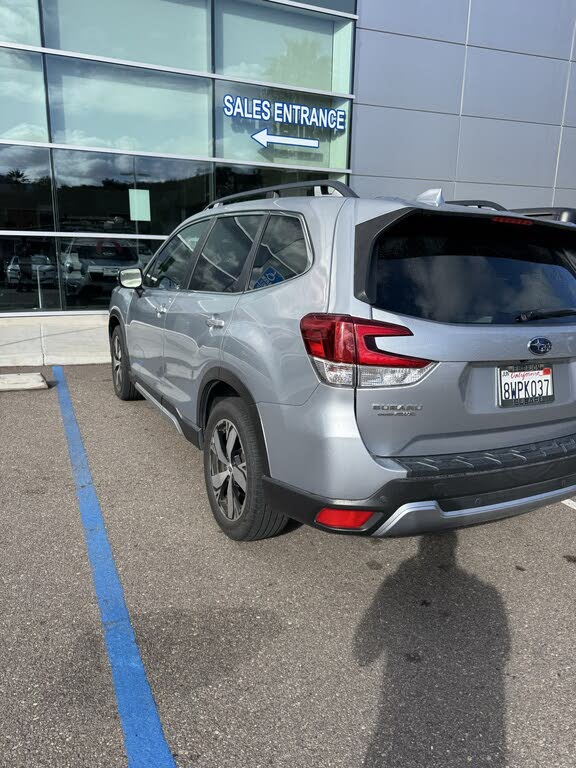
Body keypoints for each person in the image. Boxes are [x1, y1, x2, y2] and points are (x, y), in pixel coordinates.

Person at [354, 531, 510, 767]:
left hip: (397, 695)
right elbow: (503, 651)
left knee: (388, 733)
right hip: (476, 709)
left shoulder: (397, 580)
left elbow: (364, 651)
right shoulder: (488, 594)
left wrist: (364, 651)